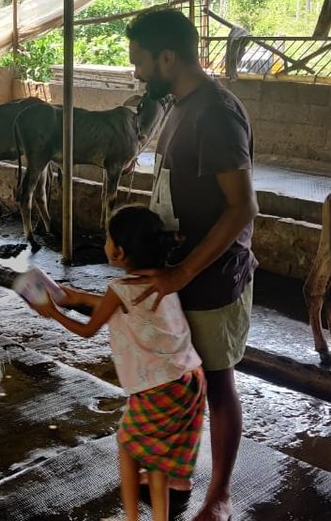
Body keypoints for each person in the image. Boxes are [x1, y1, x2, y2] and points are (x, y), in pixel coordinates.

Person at [124, 9, 259, 521]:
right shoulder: (179, 105)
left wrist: (183, 273)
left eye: (140, 62)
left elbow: (242, 208)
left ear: (167, 57)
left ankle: (218, 496)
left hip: (213, 274)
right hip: (180, 267)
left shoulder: (217, 113)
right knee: (183, 379)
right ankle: (178, 478)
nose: (136, 72)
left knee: (218, 382)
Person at [29, 206, 206, 521]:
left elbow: (87, 330)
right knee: (157, 457)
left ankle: (132, 518)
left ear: (120, 253)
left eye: (108, 239)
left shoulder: (118, 290)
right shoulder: (165, 281)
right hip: (190, 380)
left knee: (127, 445)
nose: (105, 243)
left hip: (157, 388)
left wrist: (53, 313)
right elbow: (121, 305)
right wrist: (72, 297)